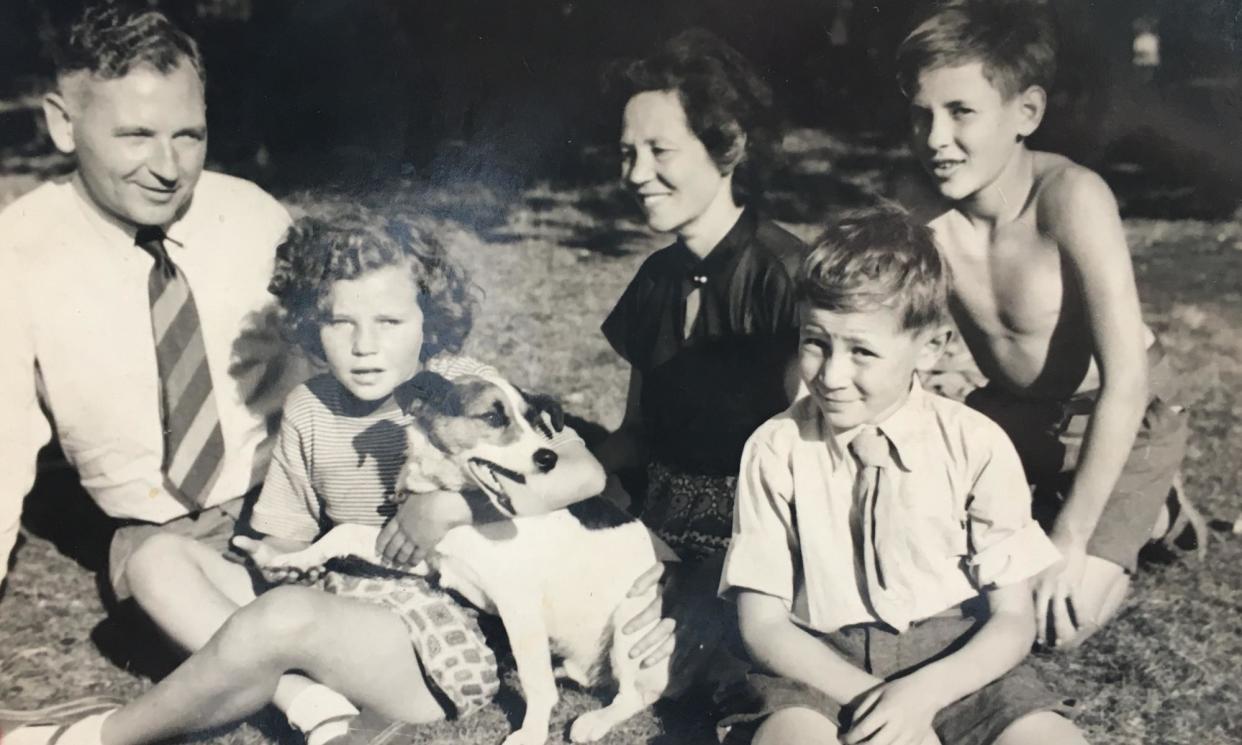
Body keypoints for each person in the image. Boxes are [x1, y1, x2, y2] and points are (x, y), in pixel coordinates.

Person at [1, 205, 618, 745]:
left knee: (283, 617)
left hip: (427, 639)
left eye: (390, 323)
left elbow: (585, 473)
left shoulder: (463, 385)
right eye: (340, 322)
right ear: (307, 324)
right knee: (152, 561)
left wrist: (453, 508)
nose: (365, 346)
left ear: (431, 323)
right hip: (336, 600)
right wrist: (273, 554)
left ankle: (103, 734)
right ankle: (304, 701)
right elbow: (292, 538)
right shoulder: (310, 406)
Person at [891, 0, 1202, 651]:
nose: (935, 138)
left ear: (1026, 113)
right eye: (921, 114)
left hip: (1117, 413)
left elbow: (1125, 378)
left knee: (1050, 621)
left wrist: (1071, 539)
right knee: (916, 560)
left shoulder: (1071, 198)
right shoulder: (920, 209)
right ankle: (1050, 496)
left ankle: (1156, 511)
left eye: (961, 112)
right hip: (1015, 414)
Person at [717, 207, 1085, 745]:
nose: (832, 374)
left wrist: (922, 697)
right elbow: (764, 624)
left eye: (863, 351)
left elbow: (1012, 619)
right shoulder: (775, 448)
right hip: (821, 664)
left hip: (953, 661)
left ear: (931, 348)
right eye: (816, 342)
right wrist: (878, 706)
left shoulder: (975, 444)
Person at [591, 29, 808, 678]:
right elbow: (635, 435)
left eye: (659, 151)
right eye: (627, 153)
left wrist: (710, 585)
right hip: (655, 523)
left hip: (756, 542)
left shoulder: (787, 275)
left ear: (731, 147)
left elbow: (812, 473)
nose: (635, 174)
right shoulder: (658, 277)